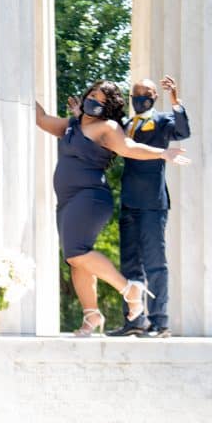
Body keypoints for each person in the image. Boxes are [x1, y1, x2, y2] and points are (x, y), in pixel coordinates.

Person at [35, 80, 189, 336]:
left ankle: (130, 289)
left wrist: (162, 153)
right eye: (92, 95)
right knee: (77, 261)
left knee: (76, 254)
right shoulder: (71, 125)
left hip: (90, 197)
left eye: (102, 100)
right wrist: (22, 85)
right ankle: (91, 315)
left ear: (108, 107)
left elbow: (129, 148)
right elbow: (40, 119)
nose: (94, 101)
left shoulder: (108, 127)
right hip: (66, 200)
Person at [109, 75, 191, 338]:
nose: (140, 99)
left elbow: (183, 132)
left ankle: (159, 322)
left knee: (155, 263)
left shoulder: (163, 121)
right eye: (136, 95)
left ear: (155, 97)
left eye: (146, 94)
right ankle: (134, 320)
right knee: (129, 264)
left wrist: (175, 101)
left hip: (153, 204)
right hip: (129, 202)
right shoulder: (124, 125)